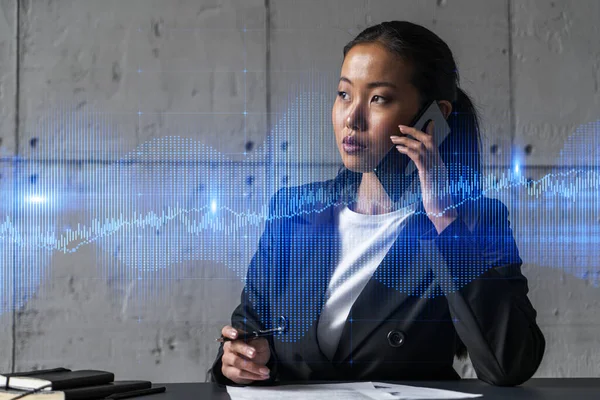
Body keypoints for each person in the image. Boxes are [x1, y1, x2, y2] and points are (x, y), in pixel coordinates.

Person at [208, 20, 545, 387]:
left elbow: (509, 364)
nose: (352, 118)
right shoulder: (295, 211)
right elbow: (249, 336)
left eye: (378, 98)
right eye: (344, 94)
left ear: (434, 118)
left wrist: (442, 217)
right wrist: (240, 361)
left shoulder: (472, 221)